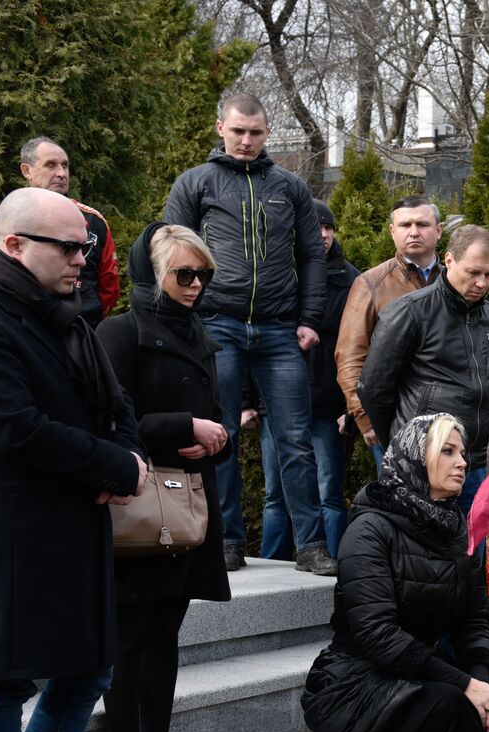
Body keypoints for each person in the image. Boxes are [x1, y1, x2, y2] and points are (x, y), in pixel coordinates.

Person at [0, 188, 147, 732]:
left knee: (88, 664)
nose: (83, 258)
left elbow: (117, 406)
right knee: (0, 679)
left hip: (73, 519)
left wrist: (126, 461)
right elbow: (13, 429)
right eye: (67, 247)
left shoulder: (66, 318)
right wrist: (110, 464)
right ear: (14, 245)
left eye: (86, 246)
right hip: (11, 530)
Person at [301, 413, 489, 732]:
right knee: (452, 708)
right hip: (355, 681)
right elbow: (376, 633)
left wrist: (480, 680)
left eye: (462, 452)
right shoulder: (369, 530)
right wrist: (462, 685)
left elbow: (473, 618)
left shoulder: (452, 529)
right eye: (447, 452)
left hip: (417, 669)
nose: (462, 463)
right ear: (417, 460)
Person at [163, 92, 335, 577]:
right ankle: (225, 541)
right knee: (221, 437)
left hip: (281, 329)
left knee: (296, 440)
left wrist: (309, 318)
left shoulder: (291, 186)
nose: (246, 140)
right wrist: (185, 322)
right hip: (216, 325)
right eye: (238, 131)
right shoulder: (195, 183)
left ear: (267, 132)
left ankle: (311, 545)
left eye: (256, 132)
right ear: (220, 127)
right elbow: (171, 252)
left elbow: (311, 257)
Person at [95, 223, 232, 732]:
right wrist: (182, 429)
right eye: (185, 274)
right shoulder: (119, 333)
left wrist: (217, 438)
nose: (197, 284)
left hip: (187, 503)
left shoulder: (199, 332)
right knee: (130, 642)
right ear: (153, 274)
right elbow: (106, 424)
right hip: (139, 508)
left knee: (166, 640)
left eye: (204, 274)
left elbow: (213, 414)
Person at [358, 225, 489, 516]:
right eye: (473, 272)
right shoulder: (410, 311)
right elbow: (373, 388)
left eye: (488, 274)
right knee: (414, 556)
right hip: (420, 465)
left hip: (473, 466)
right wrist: (405, 444)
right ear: (449, 260)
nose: (481, 282)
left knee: (469, 556)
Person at [259, 200, 359, 559]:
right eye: (314, 228)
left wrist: (351, 406)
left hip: (326, 403)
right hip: (276, 402)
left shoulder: (351, 280)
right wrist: (247, 401)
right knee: (275, 493)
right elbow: (251, 338)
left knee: (328, 491)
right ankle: (272, 564)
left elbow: (358, 348)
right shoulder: (277, 274)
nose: (322, 235)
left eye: (328, 227)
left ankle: (331, 562)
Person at [336, 196, 444, 469]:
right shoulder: (371, 284)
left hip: (448, 420)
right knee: (401, 505)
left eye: (422, 224)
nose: (414, 231)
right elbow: (349, 356)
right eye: (405, 224)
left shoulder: (454, 281)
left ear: (439, 230)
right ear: (392, 231)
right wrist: (365, 418)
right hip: (393, 421)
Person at [0, 136, 121, 328]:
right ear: (27, 170)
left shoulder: (94, 221)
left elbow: (109, 287)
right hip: (13, 329)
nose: (61, 173)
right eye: (50, 165)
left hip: (80, 329)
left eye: (65, 165)